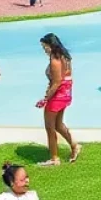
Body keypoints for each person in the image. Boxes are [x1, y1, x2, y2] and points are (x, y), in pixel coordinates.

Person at [37, 33, 81, 165]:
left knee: (50, 127)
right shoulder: (65, 57)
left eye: (45, 46)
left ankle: (54, 158)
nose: (44, 49)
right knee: (58, 124)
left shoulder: (55, 60)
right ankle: (74, 146)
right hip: (65, 94)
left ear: (50, 45)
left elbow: (57, 81)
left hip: (57, 95)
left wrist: (46, 98)